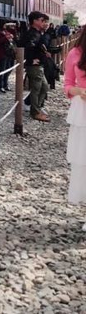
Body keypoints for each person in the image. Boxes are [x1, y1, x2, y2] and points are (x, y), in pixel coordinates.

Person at [64, 25, 86, 204]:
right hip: (82, 110)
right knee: (82, 158)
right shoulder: (75, 53)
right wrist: (78, 91)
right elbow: (68, 84)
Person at [23, 11, 51, 122]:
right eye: (42, 20)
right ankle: (35, 112)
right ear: (35, 21)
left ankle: (37, 109)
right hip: (34, 66)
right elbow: (27, 47)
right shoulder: (32, 34)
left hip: (39, 65)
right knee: (36, 88)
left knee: (44, 87)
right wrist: (31, 60)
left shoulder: (38, 33)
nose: (44, 23)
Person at [0, 19, 15, 93]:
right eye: (4, 24)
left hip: (8, 52)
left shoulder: (5, 31)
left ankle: (5, 84)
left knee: (8, 68)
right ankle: (1, 86)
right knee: (2, 70)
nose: (6, 25)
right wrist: (6, 38)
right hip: (2, 53)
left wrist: (12, 34)